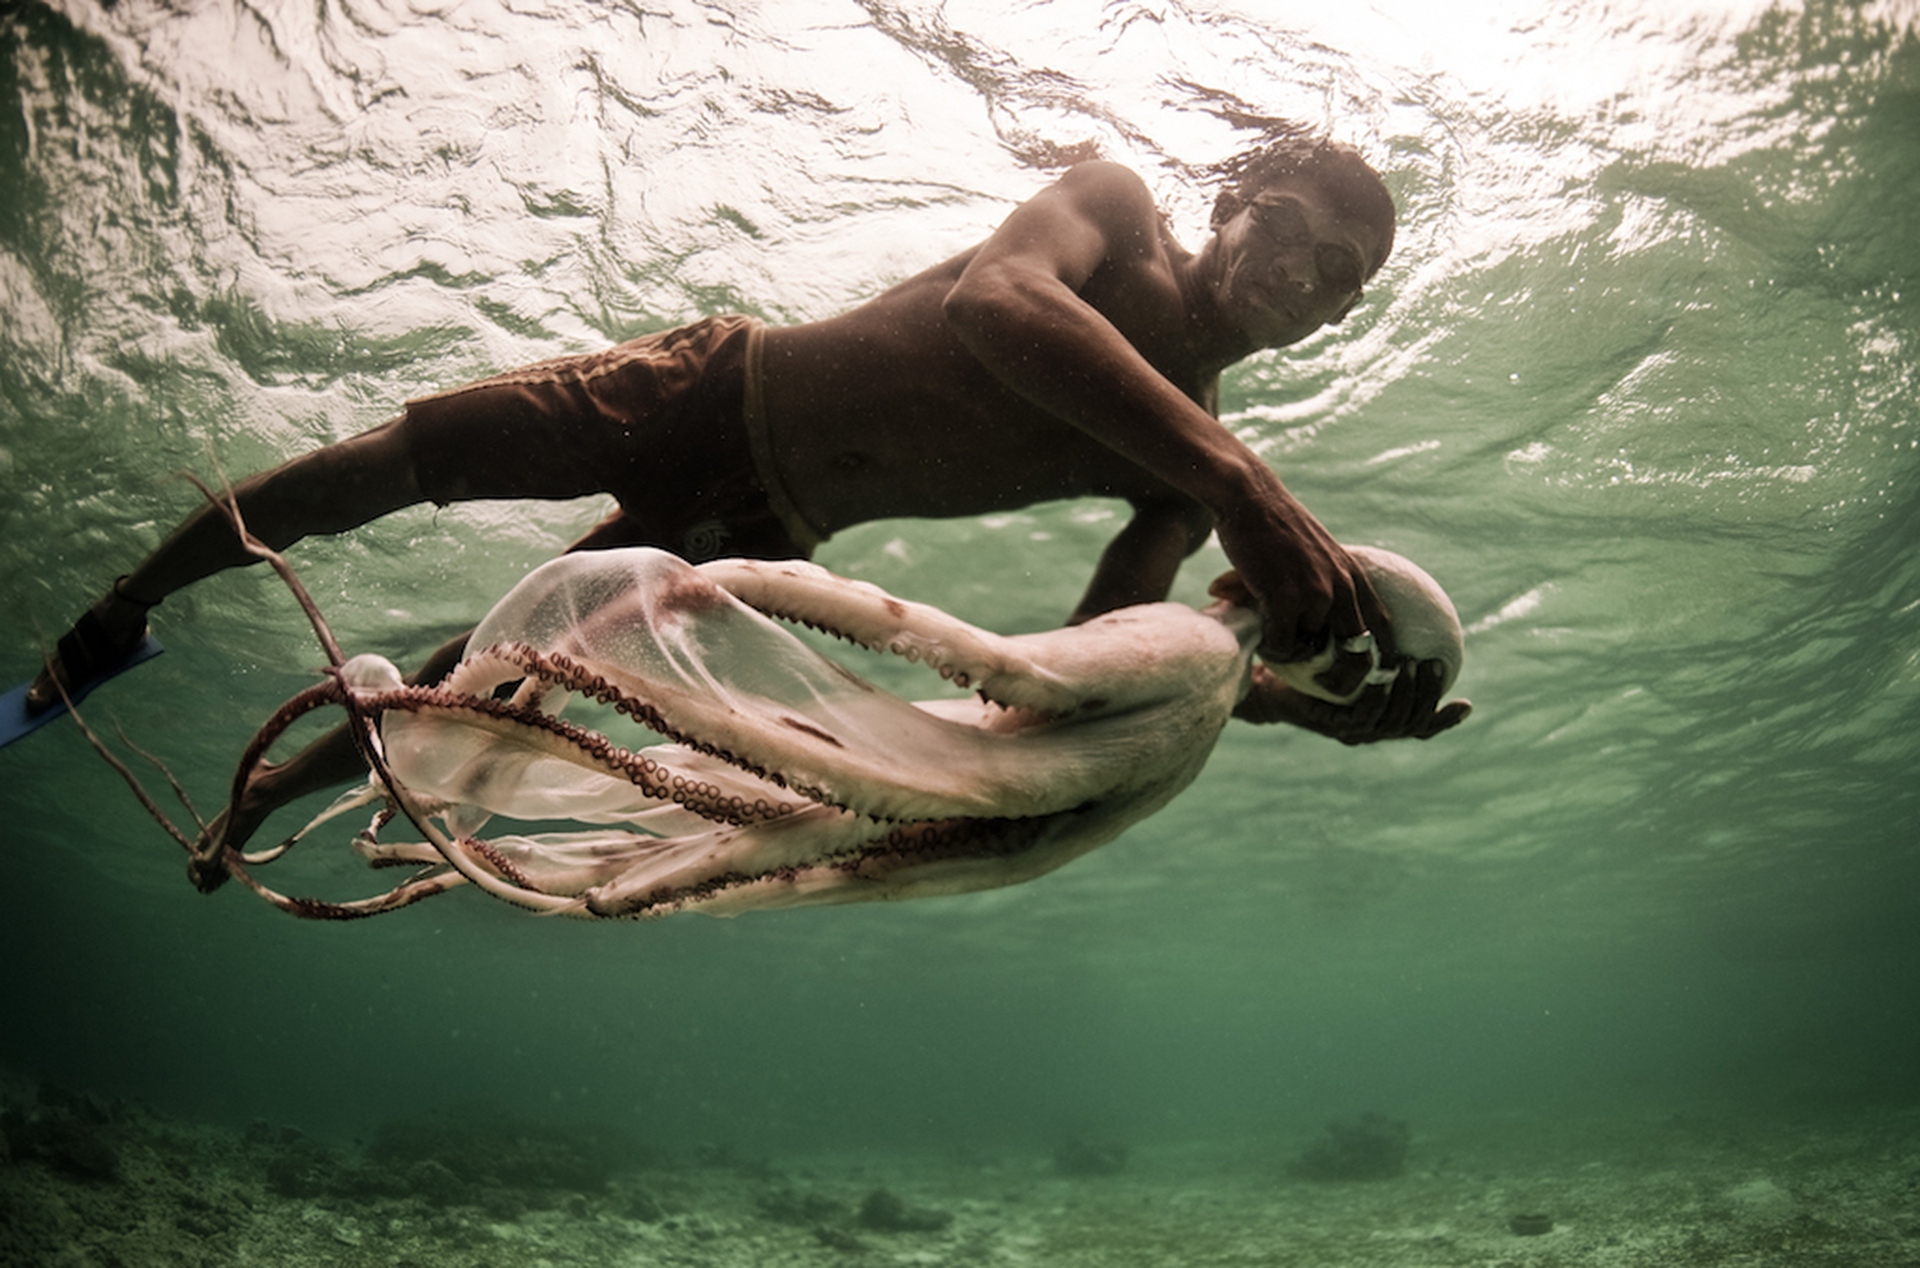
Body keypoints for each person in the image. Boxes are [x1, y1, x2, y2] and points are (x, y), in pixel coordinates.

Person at [28, 139, 1470, 851]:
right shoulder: (1113, 214)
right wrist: (1240, 480)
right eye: (1287, 229)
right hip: (716, 385)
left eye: (1336, 279)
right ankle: (123, 610)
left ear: (1340, 320)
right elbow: (994, 300)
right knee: (390, 468)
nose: (1296, 277)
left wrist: (1267, 696)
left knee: (491, 678)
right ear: (1233, 201)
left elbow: (1069, 685)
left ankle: (272, 791)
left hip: (764, 520)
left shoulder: (1186, 469)